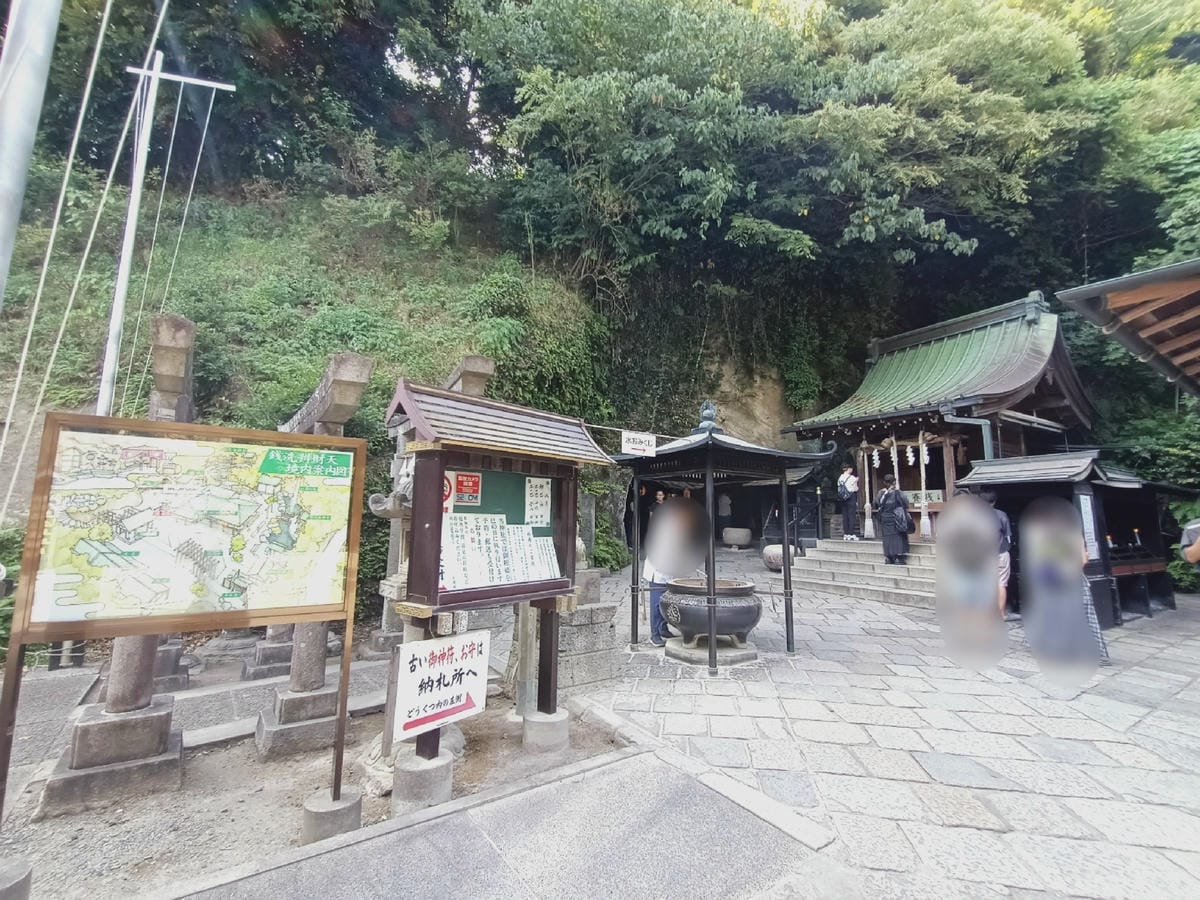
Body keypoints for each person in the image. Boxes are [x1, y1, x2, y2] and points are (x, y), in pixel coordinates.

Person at [979, 489, 1012, 616]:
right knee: (1001, 583)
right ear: (995, 501)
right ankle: (1001, 613)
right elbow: (1009, 537)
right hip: (1001, 551)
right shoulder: (1001, 515)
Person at [876, 473, 909, 565]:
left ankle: (888, 557)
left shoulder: (881, 493)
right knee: (897, 536)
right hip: (896, 517)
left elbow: (877, 503)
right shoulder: (898, 492)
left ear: (884, 482)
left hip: (885, 517)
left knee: (887, 537)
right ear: (894, 482)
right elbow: (905, 503)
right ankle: (898, 557)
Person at [837, 464, 860, 541]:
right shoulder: (852, 478)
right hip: (851, 497)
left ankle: (846, 534)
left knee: (845, 516)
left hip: (843, 498)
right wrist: (856, 481)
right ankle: (851, 533)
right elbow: (855, 489)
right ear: (849, 469)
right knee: (851, 515)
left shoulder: (840, 478)